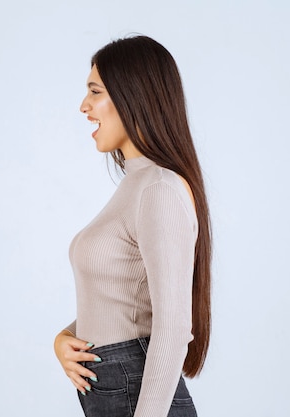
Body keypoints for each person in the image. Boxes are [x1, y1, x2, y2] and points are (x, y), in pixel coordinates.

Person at [54, 35, 212, 417]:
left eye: (95, 91)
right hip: (116, 388)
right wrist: (65, 338)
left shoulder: (159, 187)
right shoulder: (139, 184)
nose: (84, 106)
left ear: (132, 94)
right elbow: (125, 298)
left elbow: (172, 328)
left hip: (137, 393)